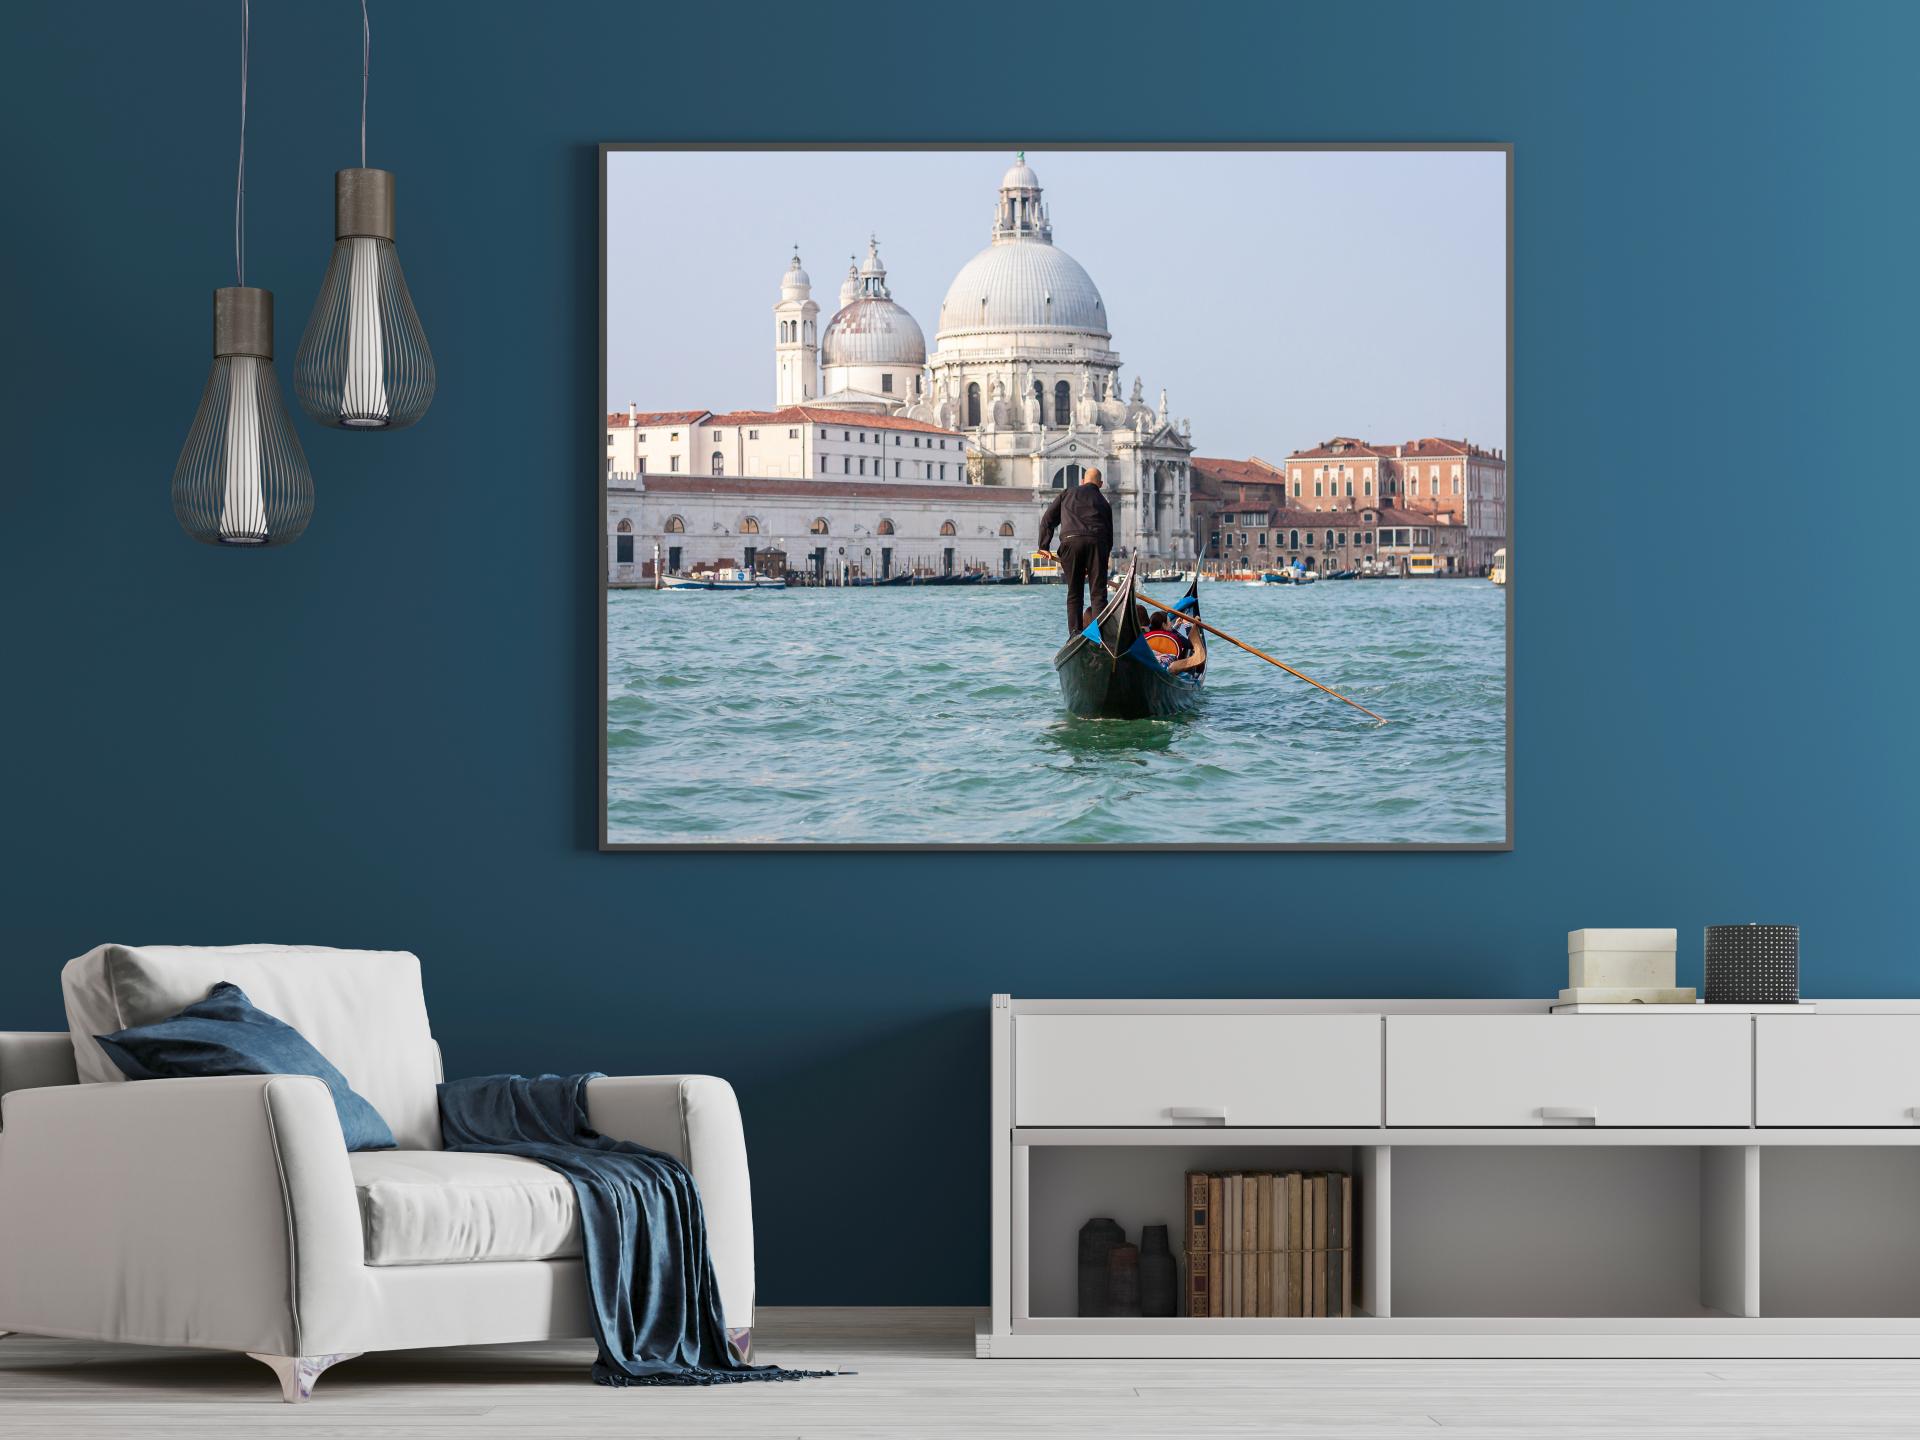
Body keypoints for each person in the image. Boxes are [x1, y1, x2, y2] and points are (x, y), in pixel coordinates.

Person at [1034, 467, 1113, 635]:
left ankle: (1075, 633)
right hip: (1097, 544)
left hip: (1071, 543)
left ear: (1082, 482)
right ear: (1100, 484)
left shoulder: (1067, 493)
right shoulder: (1104, 503)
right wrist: (1100, 562)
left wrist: (1044, 546)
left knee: (1075, 592)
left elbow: (1048, 519)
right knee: (1098, 594)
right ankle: (1100, 634)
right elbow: (1109, 535)